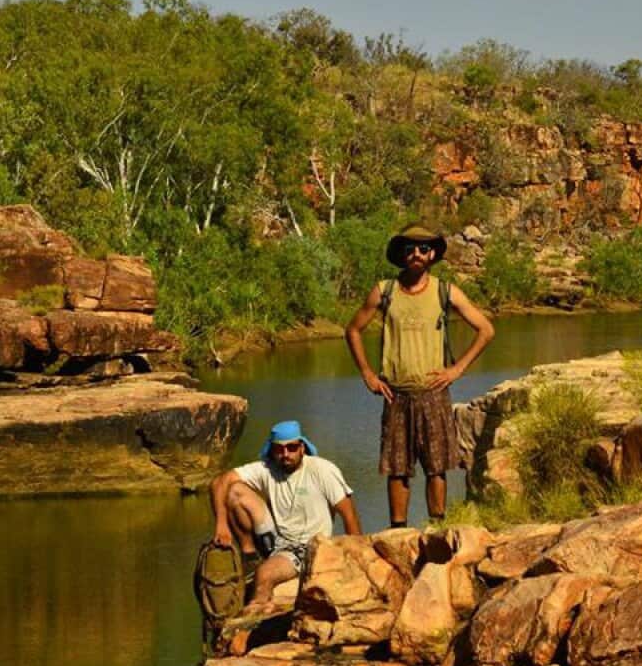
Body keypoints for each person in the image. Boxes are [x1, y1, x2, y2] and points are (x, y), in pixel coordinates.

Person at [345, 223, 495, 527]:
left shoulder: (445, 291)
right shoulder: (384, 291)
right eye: (410, 248)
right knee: (397, 468)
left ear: (432, 255)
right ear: (401, 254)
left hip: (433, 392)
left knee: (436, 467)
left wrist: (457, 369)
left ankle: (436, 528)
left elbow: (486, 329)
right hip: (395, 393)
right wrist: (368, 375)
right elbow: (352, 330)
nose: (416, 253)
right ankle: (398, 531)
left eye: (424, 248)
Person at [209, 420, 362, 615]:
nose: (286, 454)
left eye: (291, 448)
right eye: (279, 449)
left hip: (306, 546)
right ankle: (250, 556)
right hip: (277, 540)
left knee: (265, 575)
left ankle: (253, 617)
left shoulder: (322, 470)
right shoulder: (268, 468)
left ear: (302, 447)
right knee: (234, 491)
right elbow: (219, 482)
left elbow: (349, 514)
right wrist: (222, 526)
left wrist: (356, 557)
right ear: (272, 451)